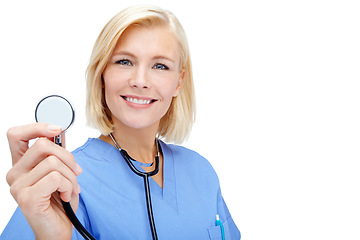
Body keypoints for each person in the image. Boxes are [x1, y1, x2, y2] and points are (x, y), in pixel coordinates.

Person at [1, 5, 240, 240]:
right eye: (124, 61)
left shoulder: (201, 172)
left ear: (179, 82)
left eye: (160, 66)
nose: (140, 80)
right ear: (102, 74)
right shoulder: (59, 181)